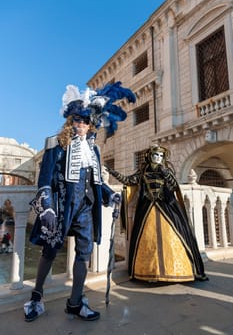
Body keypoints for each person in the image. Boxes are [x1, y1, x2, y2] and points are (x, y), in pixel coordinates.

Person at [24, 81, 136, 322]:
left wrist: (109, 193)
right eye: (77, 120)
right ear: (70, 120)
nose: (81, 125)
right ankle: (36, 297)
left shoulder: (93, 150)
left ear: (90, 124)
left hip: (86, 208)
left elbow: (95, 180)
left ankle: (75, 302)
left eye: (86, 121)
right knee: (50, 251)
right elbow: (44, 180)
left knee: (84, 253)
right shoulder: (56, 145)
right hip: (62, 206)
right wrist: (47, 209)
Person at [105, 144, 208, 283]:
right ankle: (151, 273)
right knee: (148, 238)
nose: (158, 158)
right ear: (150, 156)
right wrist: (112, 172)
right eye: (155, 155)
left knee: (175, 235)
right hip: (147, 209)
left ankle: (175, 270)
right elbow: (128, 181)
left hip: (167, 207)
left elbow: (172, 185)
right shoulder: (143, 172)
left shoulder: (166, 170)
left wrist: (164, 172)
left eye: (160, 156)